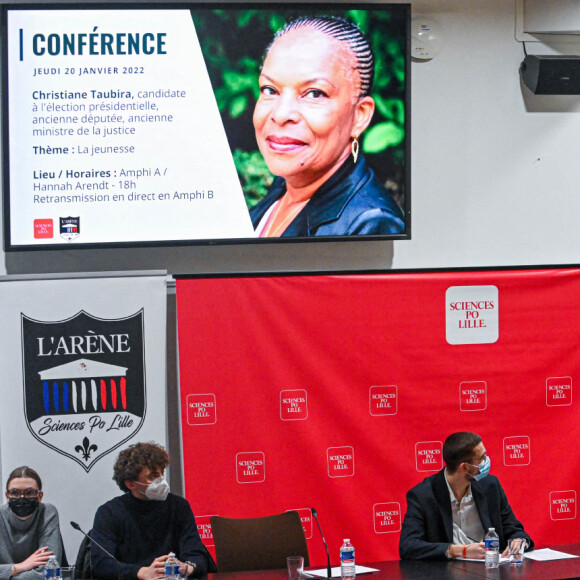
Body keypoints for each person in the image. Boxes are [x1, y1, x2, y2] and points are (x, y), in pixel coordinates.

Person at [249, 15, 405, 237]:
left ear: (359, 116)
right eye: (270, 90)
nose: (281, 114)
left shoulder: (371, 225)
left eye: (314, 93)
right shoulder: (286, 186)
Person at [399, 432, 534, 561]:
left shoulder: (490, 486)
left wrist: (519, 541)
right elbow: (408, 546)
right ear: (464, 467)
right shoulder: (423, 495)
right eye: (481, 458)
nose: (486, 461)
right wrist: (460, 550)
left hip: (491, 568)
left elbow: (513, 529)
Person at [91, 442, 214, 580]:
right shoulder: (109, 512)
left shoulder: (179, 507)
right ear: (131, 484)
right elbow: (101, 564)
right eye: (153, 476)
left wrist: (186, 568)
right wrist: (141, 572)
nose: (161, 480)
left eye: (162, 472)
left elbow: (198, 555)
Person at [0, 466, 65, 580]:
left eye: (29, 492)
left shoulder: (48, 512)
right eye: (15, 492)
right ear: (7, 496)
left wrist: (7, 573)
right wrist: (20, 566)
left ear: (40, 496)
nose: (22, 498)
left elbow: (47, 571)